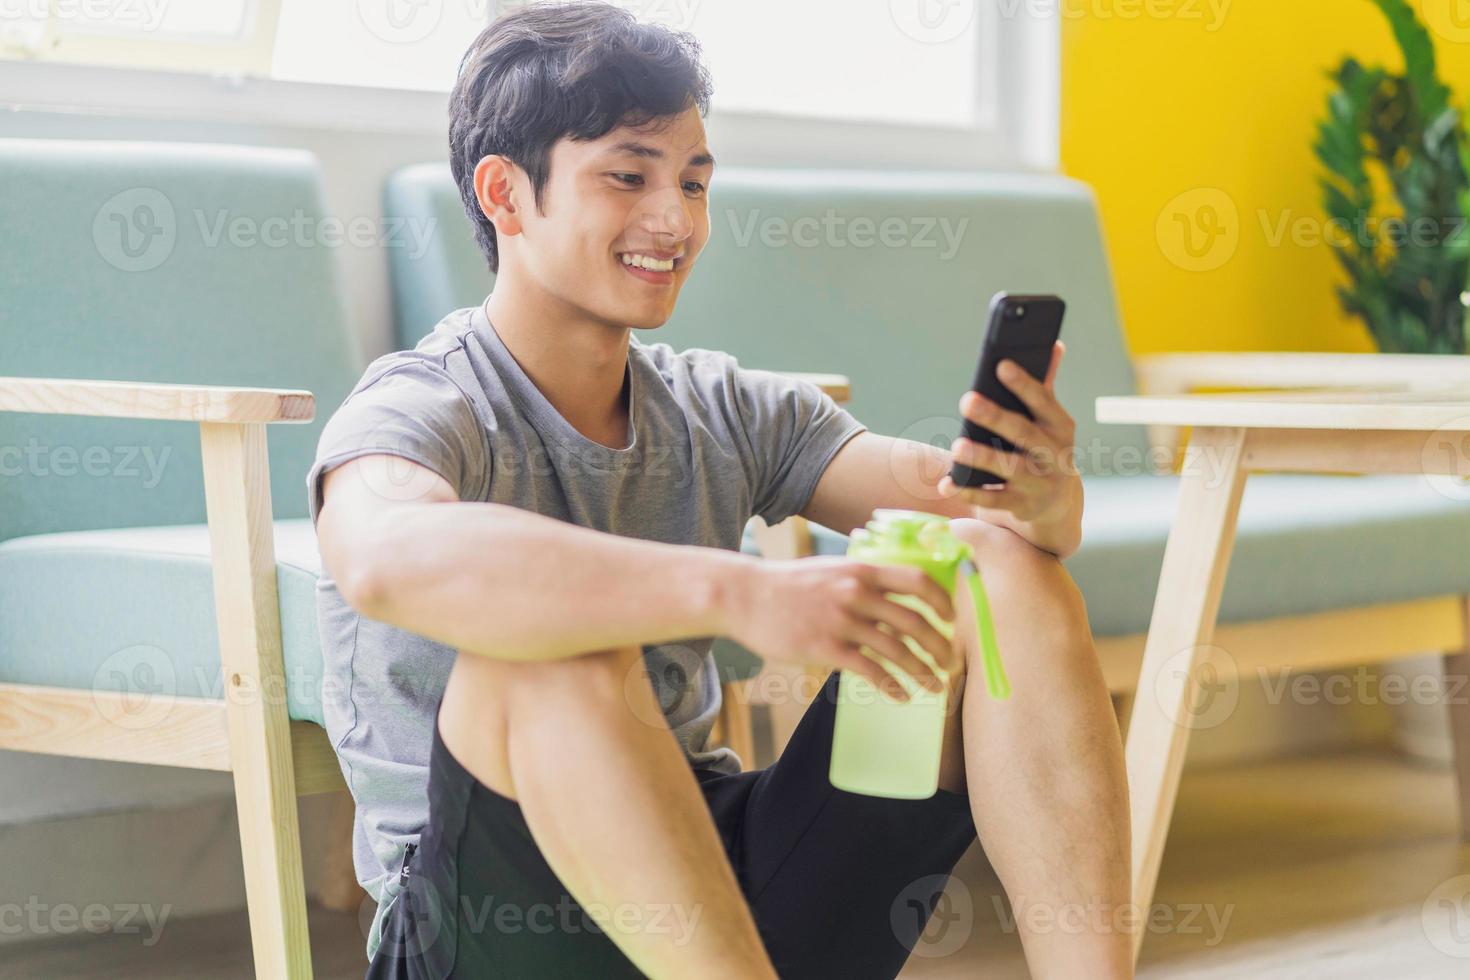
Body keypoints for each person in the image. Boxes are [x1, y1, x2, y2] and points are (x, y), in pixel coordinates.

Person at [310, 3, 1131, 977]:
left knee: (992, 562)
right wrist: (738, 589)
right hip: (493, 932)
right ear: (504, 193)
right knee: (555, 650)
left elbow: (965, 507)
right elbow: (380, 553)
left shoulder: (716, 402)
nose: (675, 219)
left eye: (694, 182)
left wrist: (1044, 504)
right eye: (629, 175)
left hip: (711, 910)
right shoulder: (424, 401)